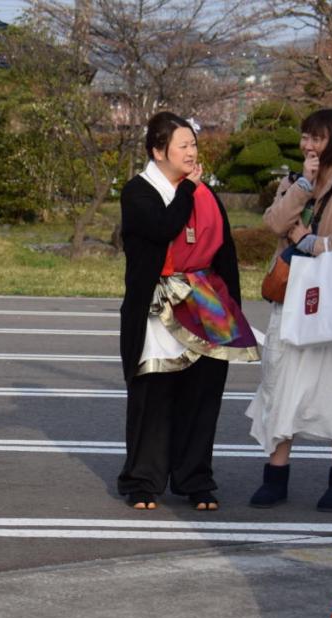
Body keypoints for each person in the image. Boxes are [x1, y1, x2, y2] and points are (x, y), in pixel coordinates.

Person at [119, 112, 259, 511]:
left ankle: (196, 478)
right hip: (157, 306)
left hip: (206, 302)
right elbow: (164, 227)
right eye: (183, 146)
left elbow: (225, 252)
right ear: (158, 151)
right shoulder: (139, 192)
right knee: (154, 393)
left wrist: (233, 304)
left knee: (203, 392)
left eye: (193, 145)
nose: (191, 152)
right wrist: (188, 192)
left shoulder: (205, 194)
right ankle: (143, 481)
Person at [246, 108, 332, 511]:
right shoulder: (295, 180)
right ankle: (276, 477)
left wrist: (311, 242)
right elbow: (273, 222)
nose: (308, 145)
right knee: (280, 383)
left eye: (316, 138)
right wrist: (303, 184)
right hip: (291, 298)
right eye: (305, 137)